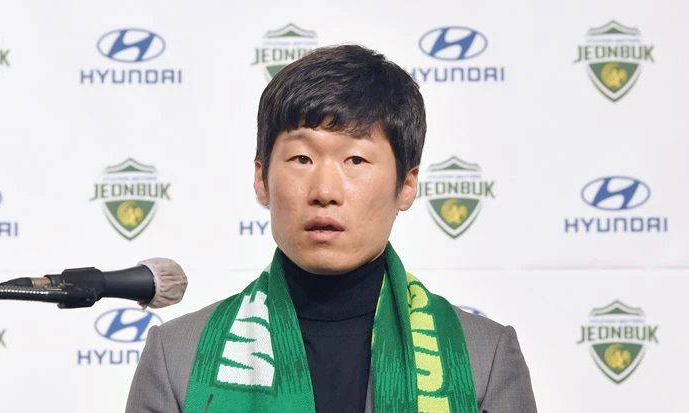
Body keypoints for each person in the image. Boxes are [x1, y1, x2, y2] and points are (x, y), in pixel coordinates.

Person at [126, 44, 537, 413]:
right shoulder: (177, 359)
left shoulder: (483, 360)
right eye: (302, 159)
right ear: (261, 179)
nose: (324, 191)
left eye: (355, 160)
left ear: (407, 185)